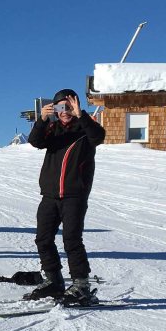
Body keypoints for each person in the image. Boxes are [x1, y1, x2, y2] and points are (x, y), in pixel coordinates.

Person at [24, 88, 106, 306]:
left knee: (72, 240)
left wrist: (82, 115)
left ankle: (81, 285)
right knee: (43, 239)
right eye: (61, 107)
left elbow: (99, 137)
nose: (65, 111)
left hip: (74, 196)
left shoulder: (85, 129)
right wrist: (42, 120)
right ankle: (53, 280)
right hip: (50, 195)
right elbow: (35, 141)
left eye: (69, 107)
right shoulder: (53, 130)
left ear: (76, 107)